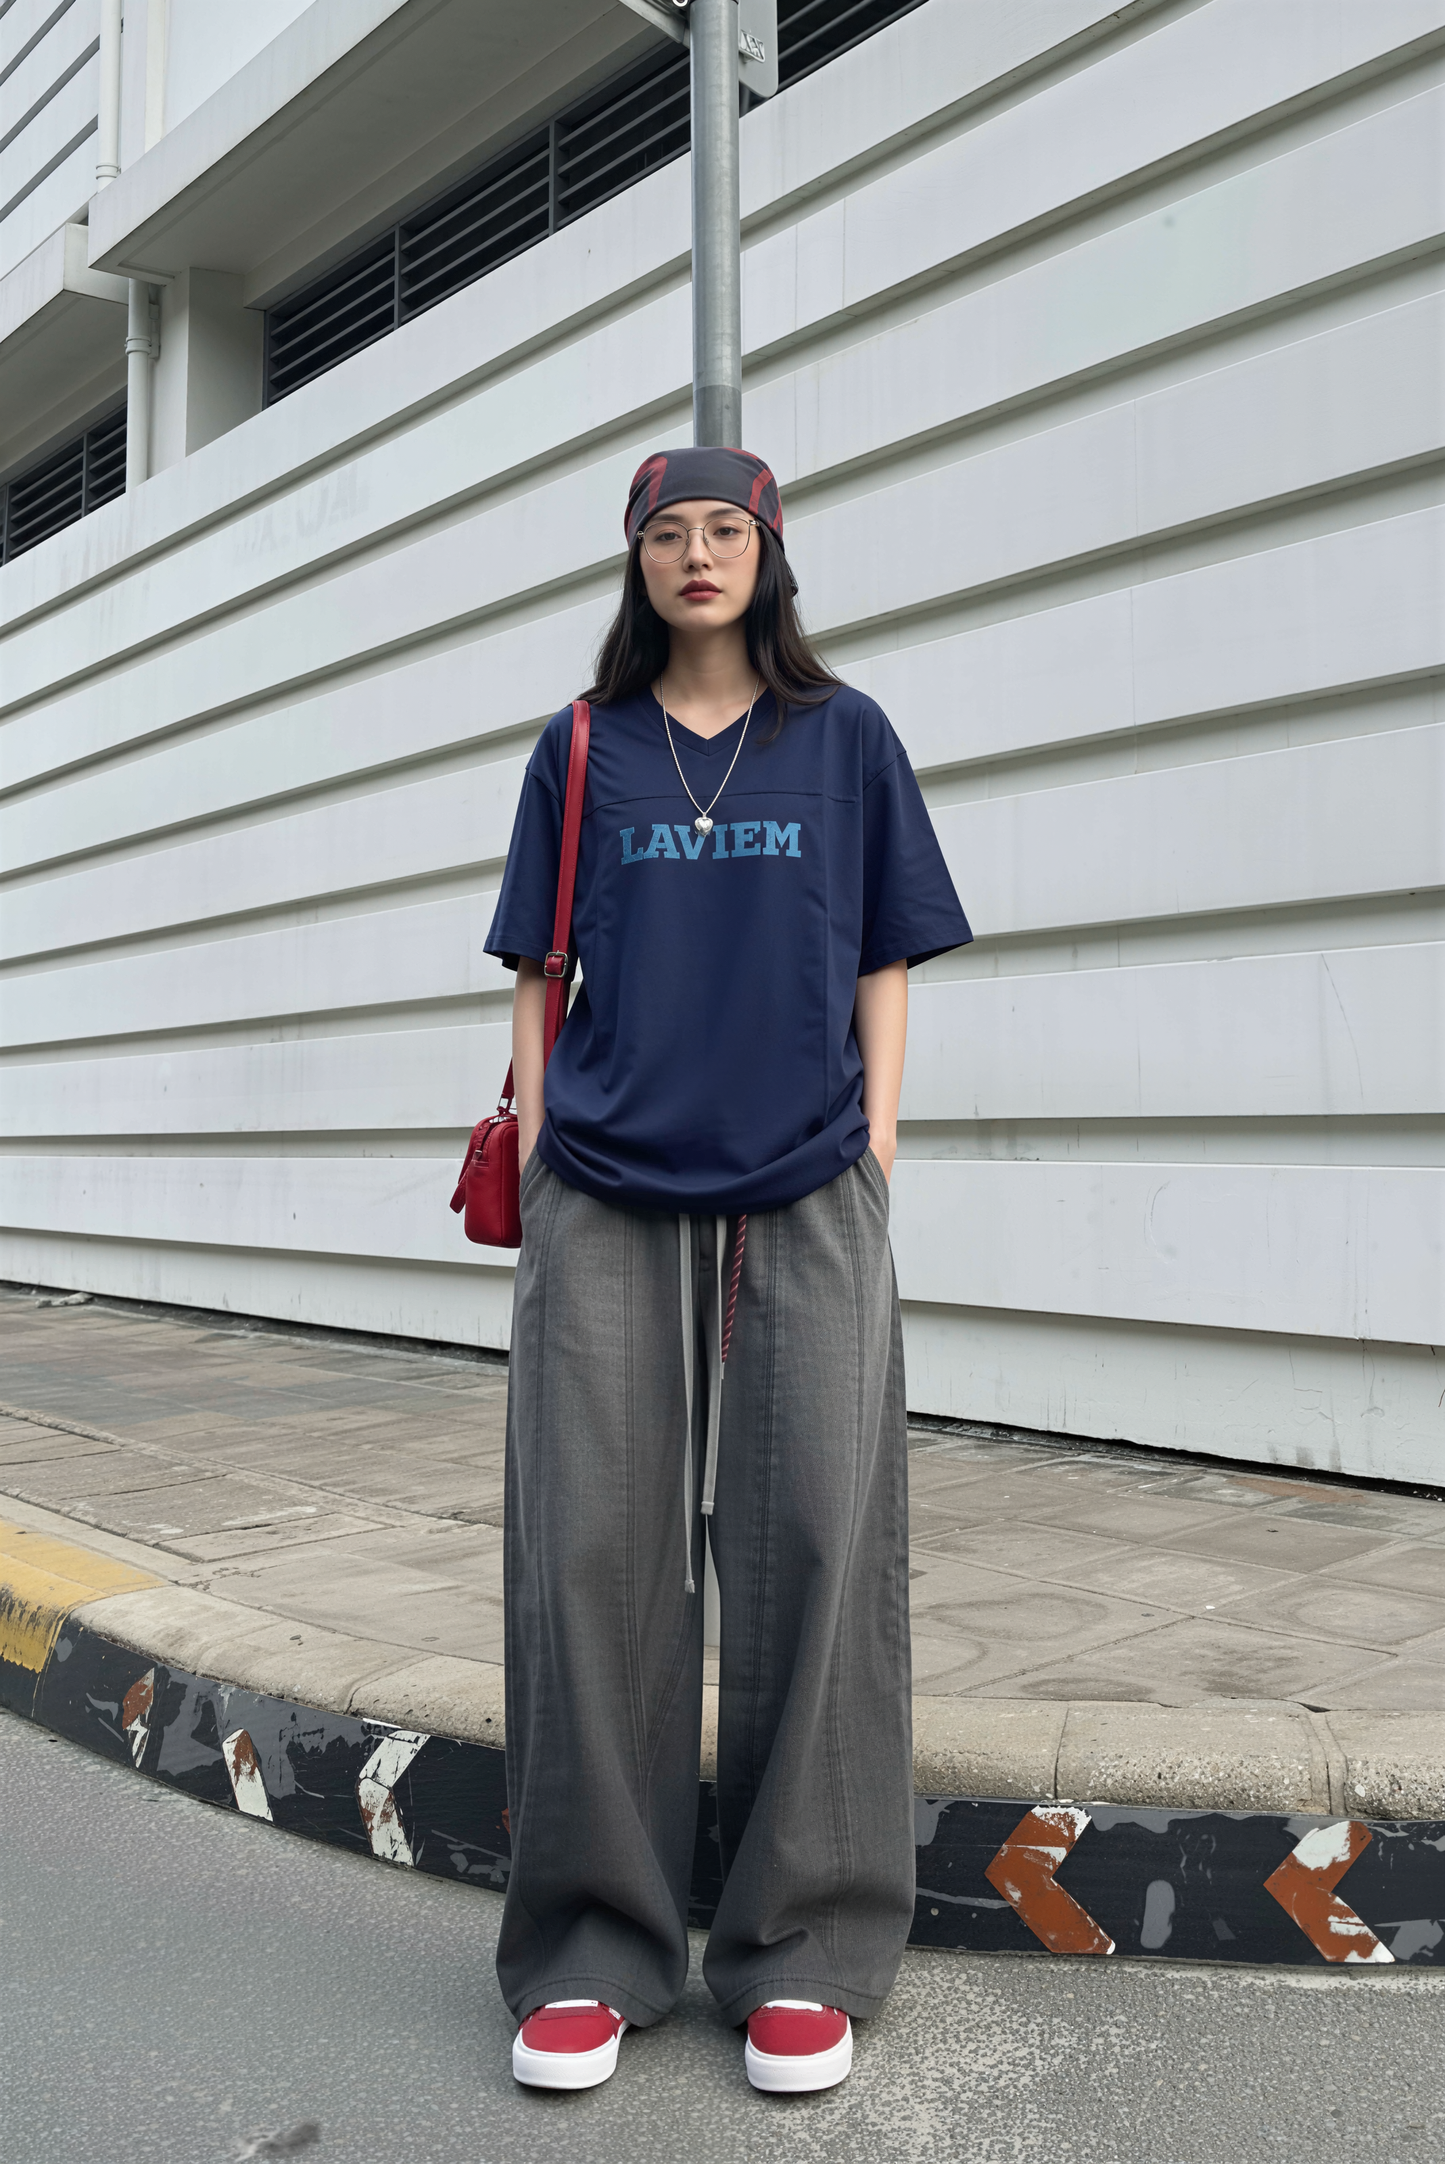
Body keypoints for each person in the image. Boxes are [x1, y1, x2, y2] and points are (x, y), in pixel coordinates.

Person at [485, 447, 971, 2095]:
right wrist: (549, 1155)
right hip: (608, 1187)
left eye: (728, 531)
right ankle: (590, 1949)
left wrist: (880, 1143)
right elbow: (537, 976)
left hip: (812, 1186)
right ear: (634, 562)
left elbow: (886, 950)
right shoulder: (580, 746)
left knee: (821, 1541)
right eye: (667, 534)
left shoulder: (847, 740)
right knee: (591, 1552)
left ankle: (802, 1947)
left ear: (772, 556)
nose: (698, 556)